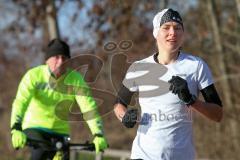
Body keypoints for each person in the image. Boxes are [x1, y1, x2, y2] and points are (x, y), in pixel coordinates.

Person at [114, 8, 223, 160]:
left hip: (181, 155)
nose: (173, 32)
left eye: (178, 28)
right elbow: (119, 104)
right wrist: (124, 116)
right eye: (166, 27)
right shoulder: (139, 67)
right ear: (156, 33)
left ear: (183, 34)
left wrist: (191, 100)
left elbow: (218, 114)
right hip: (143, 155)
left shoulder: (196, 66)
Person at [10, 39, 108, 160]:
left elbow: (89, 107)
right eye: (56, 57)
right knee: (40, 154)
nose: (61, 61)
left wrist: (98, 134)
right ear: (47, 60)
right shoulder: (33, 75)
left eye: (64, 57)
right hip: (35, 127)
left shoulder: (75, 79)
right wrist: (15, 128)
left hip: (60, 132)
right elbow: (20, 102)